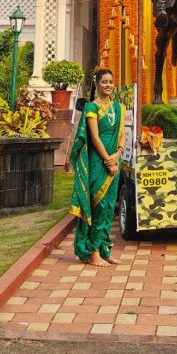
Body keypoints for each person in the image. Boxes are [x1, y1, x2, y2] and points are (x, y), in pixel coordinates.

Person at [69, 68, 125, 267]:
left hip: (114, 161)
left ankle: (104, 249)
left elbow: (122, 135)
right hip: (98, 163)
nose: (108, 85)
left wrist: (117, 154)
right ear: (97, 84)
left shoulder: (119, 107)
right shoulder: (92, 108)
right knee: (98, 206)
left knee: (110, 208)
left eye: (111, 82)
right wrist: (108, 160)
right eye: (104, 82)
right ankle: (91, 252)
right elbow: (94, 137)